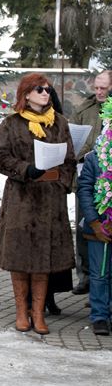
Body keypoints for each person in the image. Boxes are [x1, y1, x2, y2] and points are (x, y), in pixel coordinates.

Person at [0, 73, 76, 335]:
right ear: (26, 94)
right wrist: (25, 169)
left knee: (43, 260)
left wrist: (62, 183)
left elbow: (69, 160)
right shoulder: (11, 123)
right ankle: (21, 312)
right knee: (19, 259)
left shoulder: (59, 122)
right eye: (39, 89)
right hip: (21, 200)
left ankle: (38, 314)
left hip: (51, 200)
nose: (45, 93)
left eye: (48, 89)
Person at [70, 70, 112, 295]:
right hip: (86, 177)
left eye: (103, 88)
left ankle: (103, 284)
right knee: (84, 228)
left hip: (108, 181)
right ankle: (86, 277)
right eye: (96, 88)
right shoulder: (84, 110)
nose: (99, 92)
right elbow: (71, 141)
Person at [76, 128, 112, 335]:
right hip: (98, 226)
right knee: (99, 274)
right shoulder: (95, 158)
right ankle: (99, 316)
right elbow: (85, 190)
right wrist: (95, 223)